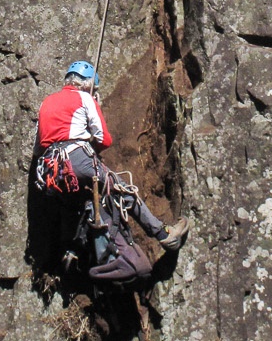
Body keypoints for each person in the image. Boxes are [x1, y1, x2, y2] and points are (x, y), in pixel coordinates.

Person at [33, 59, 189, 263]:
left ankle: (71, 254)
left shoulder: (46, 102)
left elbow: (38, 148)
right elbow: (104, 139)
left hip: (49, 171)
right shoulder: (84, 98)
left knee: (72, 206)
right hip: (77, 159)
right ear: (88, 84)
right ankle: (164, 234)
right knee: (122, 190)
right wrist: (90, 145)